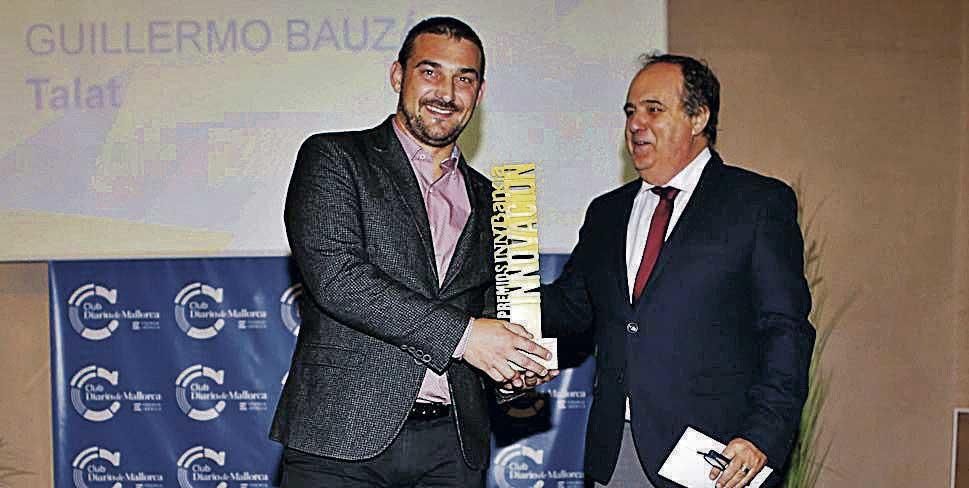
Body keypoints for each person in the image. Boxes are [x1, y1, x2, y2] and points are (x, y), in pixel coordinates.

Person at [270, 16, 553, 488]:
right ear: (397, 75)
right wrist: (466, 337)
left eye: (464, 78)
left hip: (453, 447)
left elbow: (490, 311)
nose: (446, 92)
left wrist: (512, 368)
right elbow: (338, 278)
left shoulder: (495, 199)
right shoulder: (334, 157)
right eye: (430, 72)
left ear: (479, 94)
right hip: (340, 439)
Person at [541, 53, 815, 488]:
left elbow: (785, 331)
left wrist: (762, 434)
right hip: (615, 455)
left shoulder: (758, 204)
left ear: (698, 116)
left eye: (654, 109)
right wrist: (500, 286)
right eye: (631, 111)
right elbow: (572, 310)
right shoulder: (606, 213)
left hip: (718, 459)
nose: (636, 124)